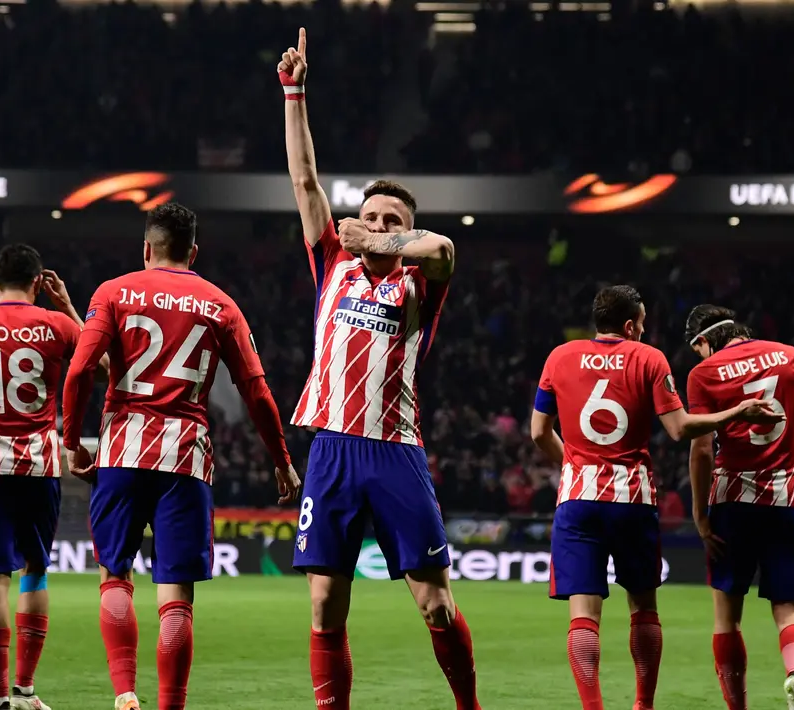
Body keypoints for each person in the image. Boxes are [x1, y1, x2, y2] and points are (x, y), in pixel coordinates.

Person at [278, 27, 474, 710]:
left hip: (395, 452)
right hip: (330, 447)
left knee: (436, 607)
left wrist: (387, 238)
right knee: (325, 601)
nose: (373, 223)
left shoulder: (421, 284)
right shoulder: (330, 261)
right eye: (367, 214)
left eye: (391, 217)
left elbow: (444, 246)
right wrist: (294, 92)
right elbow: (303, 179)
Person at [62, 202, 301, 710]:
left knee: (115, 575)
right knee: (176, 595)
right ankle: (171, 704)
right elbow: (256, 391)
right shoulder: (221, 304)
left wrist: (70, 440)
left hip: (123, 449)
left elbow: (81, 370)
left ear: (146, 248)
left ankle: (125, 692)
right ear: (194, 251)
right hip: (185, 457)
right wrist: (280, 458)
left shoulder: (113, 292)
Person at [529, 286, 784, 710]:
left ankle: (593, 707)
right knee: (643, 607)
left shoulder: (559, 356)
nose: (644, 333)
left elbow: (539, 432)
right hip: (633, 498)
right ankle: (643, 705)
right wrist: (737, 412)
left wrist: (574, 465)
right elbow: (681, 429)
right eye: (642, 326)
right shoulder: (649, 358)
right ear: (630, 325)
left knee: (583, 615)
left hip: (578, 499)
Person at [0, 244, 90, 710]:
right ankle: (26, 690)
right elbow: (105, 361)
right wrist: (67, 305)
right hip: (39, 464)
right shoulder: (57, 326)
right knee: (35, 569)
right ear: (38, 283)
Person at [684, 304, 794, 710]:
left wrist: (699, 516)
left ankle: (738, 707)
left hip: (732, 503)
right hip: (786, 500)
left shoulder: (703, 374)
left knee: (727, 617)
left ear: (702, 340)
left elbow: (699, 451)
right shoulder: (790, 356)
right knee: (790, 611)